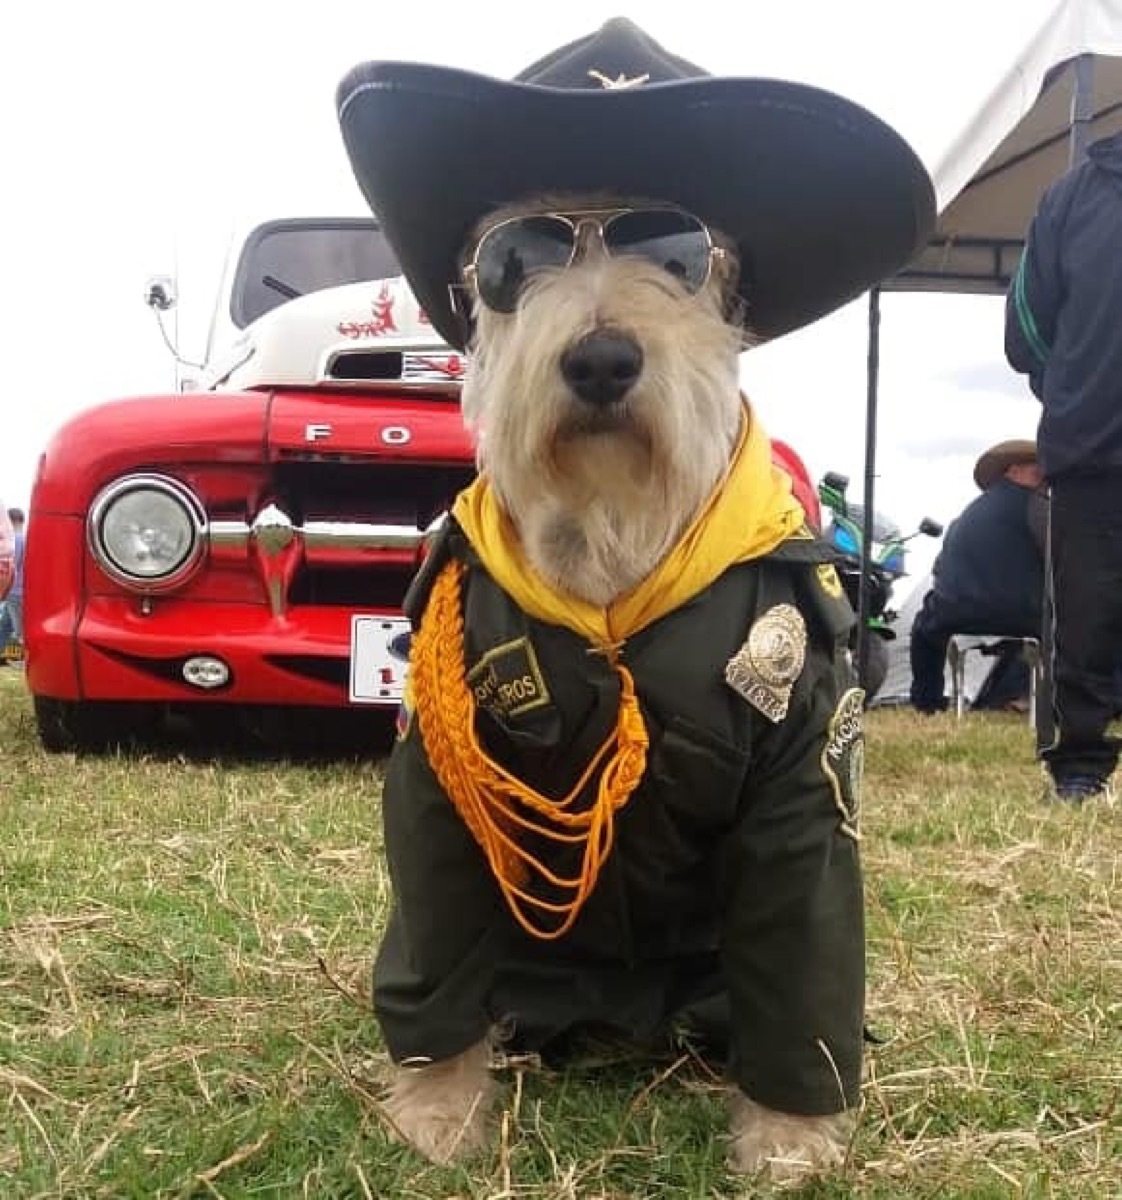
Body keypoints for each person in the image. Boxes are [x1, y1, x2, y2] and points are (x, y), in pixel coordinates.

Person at [1005, 131, 1122, 803]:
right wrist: (1074, 385)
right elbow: (1026, 326)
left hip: (1085, 438)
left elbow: (1028, 332)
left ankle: (1081, 767)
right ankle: (1079, 765)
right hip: (1089, 447)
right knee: (1086, 610)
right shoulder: (1069, 200)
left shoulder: (1067, 199)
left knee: (1088, 609)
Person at [909, 440, 1045, 713]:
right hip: (1024, 615)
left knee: (924, 629)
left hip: (956, 613)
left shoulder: (967, 515)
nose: (1043, 476)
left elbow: (939, 569)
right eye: (1036, 470)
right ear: (1012, 471)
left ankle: (927, 702)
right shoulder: (1039, 509)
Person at [0, 506, 25, 664]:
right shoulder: (23, 538)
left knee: (6, 626)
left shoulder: (11, 540)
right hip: (19, 590)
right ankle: (23, 659)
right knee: (18, 628)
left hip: (11, 589)